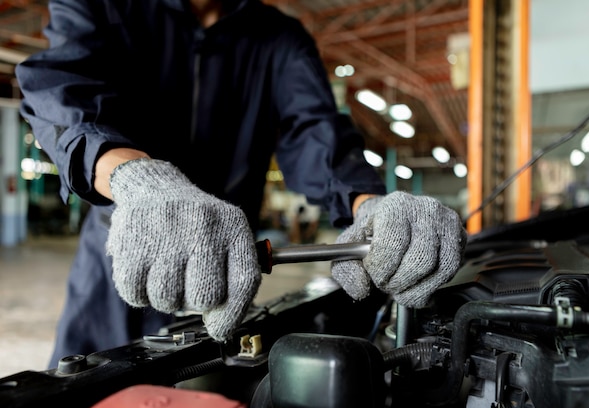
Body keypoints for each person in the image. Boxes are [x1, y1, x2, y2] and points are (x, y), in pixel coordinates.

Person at [15, 0, 467, 369]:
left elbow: (316, 133)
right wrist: (138, 178)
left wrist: (370, 205)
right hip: (116, 258)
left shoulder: (280, 40)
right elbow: (62, 92)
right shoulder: (104, 7)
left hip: (225, 269)